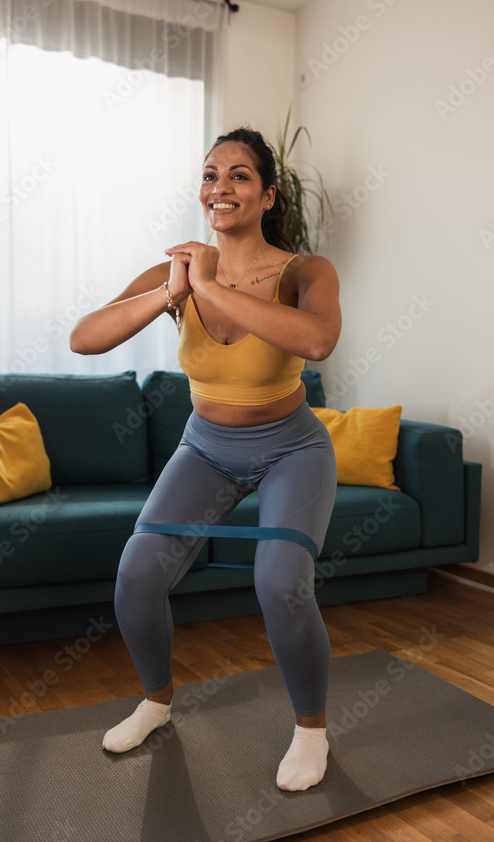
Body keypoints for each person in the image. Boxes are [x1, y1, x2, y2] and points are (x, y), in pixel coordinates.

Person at [70, 127, 341, 791]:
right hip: (207, 448)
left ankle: (311, 732)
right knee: (136, 576)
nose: (221, 186)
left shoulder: (303, 271)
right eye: (210, 174)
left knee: (280, 583)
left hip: (291, 450)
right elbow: (84, 339)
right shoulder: (174, 273)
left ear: (268, 195)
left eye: (239, 175)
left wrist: (210, 286)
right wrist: (174, 290)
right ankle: (156, 703)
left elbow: (316, 341)